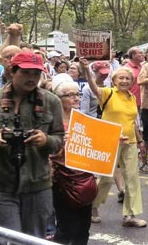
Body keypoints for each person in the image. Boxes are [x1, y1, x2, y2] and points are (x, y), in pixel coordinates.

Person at [0, 51, 64, 243]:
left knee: (33, 240)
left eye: (36, 73)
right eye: (26, 73)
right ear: (12, 71)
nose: (31, 78)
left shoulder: (51, 101)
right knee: (3, 239)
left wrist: (46, 140)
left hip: (38, 185)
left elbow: (59, 139)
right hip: (0, 184)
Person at [81, 59, 148, 228]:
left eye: (127, 78)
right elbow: (93, 87)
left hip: (130, 143)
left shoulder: (132, 97)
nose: (124, 81)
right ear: (114, 81)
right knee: (106, 179)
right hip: (109, 141)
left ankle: (130, 215)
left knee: (132, 179)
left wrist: (140, 141)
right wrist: (86, 71)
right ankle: (92, 207)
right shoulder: (107, 93)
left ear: (132, 82)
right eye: (121, 78)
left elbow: (132, 122)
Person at [50, 74, 94, 245]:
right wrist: (59, 142)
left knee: (84, 227)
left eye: (78, 94)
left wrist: (111, 141)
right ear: (57, 98)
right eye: (70, 95)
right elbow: (43, 149)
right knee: (67, 227)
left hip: (83, 178)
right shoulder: (50, 120)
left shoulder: (82, 118)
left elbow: (95, 143)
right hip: (62, 180)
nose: (76, 98)